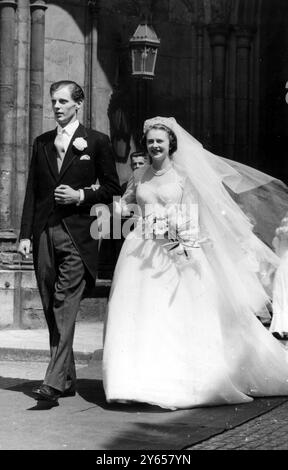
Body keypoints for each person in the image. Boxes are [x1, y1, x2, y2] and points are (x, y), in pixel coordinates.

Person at [102, 116, 288, 410]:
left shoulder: (184, 178)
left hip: (178, 248)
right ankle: (133, 381)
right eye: (150, 142)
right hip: (140, 249)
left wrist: (180, 236)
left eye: (159, 142)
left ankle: (178, 380)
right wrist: (117, 207)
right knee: (137, 311)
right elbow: (127, 204)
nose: (153, 146)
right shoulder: (140, 176)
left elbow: (195, 214)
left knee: (177, 313)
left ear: (170, 144)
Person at [18, 80, 121, 404]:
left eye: (63, 101)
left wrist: (81, 195)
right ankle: (66, 379)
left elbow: (112, 189)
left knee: (65, 302)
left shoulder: (97, 142)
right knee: (51, 304)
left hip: (79, 236)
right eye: (53, 102)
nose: (57, 107)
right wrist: (24, 235)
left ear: (78, 104)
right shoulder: (42, 142)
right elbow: (33, 191)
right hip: (45, 232)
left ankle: (51, 383)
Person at [270, 213, 288, 339]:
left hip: (282, 268)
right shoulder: (279, 238)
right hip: (283, 267)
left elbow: (276, 256)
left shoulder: (277, 239)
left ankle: (281, 326)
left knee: (281, 296)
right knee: (282, 295)